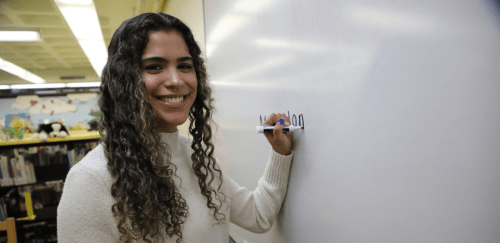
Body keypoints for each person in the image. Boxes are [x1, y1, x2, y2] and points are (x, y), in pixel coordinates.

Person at [57, 13, 293, 243]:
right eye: (154, 67)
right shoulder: (91, 179)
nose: (176, 80)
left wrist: (280, 152)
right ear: (124, 81)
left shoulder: (198, 158)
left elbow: (258, 217)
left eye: (184, 66)